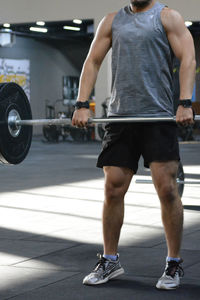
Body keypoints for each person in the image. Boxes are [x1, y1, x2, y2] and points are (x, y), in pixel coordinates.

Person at [72, 0, 196, 290]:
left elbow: (188, 57)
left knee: (167, 189)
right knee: (112, 187)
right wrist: (82, 103)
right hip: (121, 117)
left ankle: (173, 262)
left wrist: (185, 102)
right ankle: (110, 259)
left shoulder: (167, 17)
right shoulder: (112, 21)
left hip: (158, 117)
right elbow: (93, 60)